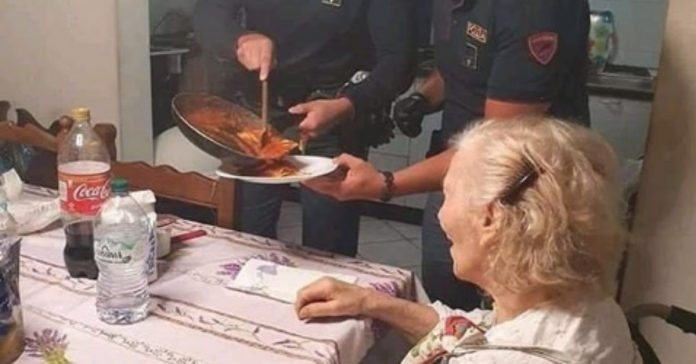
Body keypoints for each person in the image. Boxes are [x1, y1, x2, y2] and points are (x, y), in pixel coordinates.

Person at [305, 0, 591, 309]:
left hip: (528, 196)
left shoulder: (533, 10)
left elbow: (500, 146)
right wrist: (422, 98)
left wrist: (386, 183)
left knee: (520, 315)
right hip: (458, 174)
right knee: (447, 298)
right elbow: (464, 58)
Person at [296, 117, 640, 364]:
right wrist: (371, 302)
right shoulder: (588, 305)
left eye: (447, 195)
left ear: (491, 219)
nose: (442, 215)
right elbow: (467, 333)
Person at [193, 0, 415, 257]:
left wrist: (348, 105)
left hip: (333, 114)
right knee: (246, 236)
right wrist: (239, 39)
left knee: (329, 245)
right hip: (258, 113)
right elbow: (208, 11)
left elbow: (399, 63)